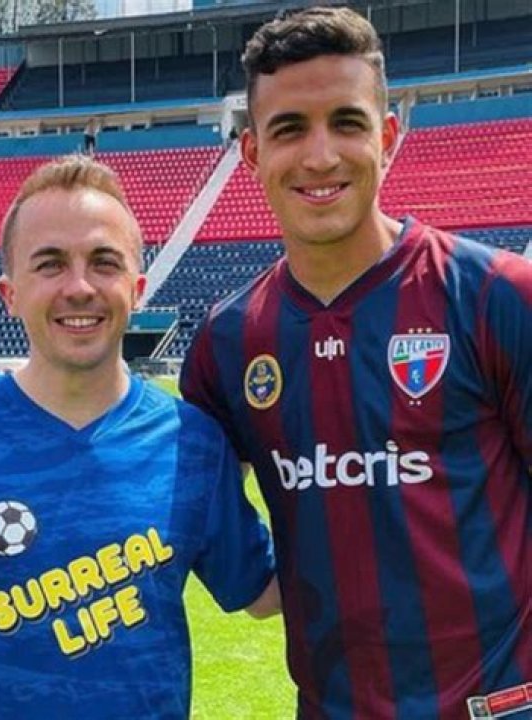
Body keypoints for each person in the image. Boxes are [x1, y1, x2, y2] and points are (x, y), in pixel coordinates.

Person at [180, 7, 531, 720]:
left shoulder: (496, 295)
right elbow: (181, 498)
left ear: (387, 137)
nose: (320, 157)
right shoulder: (227, 343)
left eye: (346, 122)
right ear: (251, 152)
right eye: (289, 129)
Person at [0, 156, 279, 718]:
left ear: (137, 289)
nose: (79, 287)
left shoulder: (192, 444)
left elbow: (263, 592)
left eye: (104, 262)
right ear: (9, 294)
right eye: (50, 264)